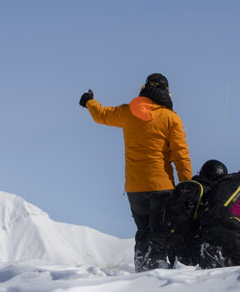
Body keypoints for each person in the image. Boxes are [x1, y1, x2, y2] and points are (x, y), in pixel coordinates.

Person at [81, 73, 192, 270]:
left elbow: (102, 115)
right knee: (159, 231)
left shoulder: (127, 112)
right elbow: (180, 156)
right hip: (161, 186)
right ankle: (156, 271)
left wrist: (89, 102)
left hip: (134, 188)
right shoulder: (170, 119)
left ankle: (141, 268)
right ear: (166, 92)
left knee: (143, 231)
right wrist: (187, 184)